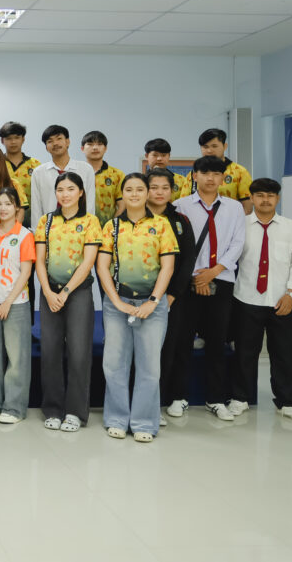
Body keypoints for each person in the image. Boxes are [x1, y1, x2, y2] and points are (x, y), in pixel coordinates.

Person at [98, 173, 178, 443]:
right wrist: (116, 301)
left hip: (151, 305)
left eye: (139, 189)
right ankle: (117, 419)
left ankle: (144, 422)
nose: (134, 194)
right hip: (117, 304)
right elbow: (102, 267)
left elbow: (168, 266)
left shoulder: (162, 225)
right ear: (122, 194)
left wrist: (153, 301)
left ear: (147, 194)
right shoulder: (111, 226)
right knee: (114, 364)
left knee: (149, 367)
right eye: (129, 190)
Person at [229, 179, 292, 423]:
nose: (265, 200)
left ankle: (287, 402)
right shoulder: (240, 226)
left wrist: (291, 293)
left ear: (278, 199)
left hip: (282, 301)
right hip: (246, 299)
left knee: (283, 354)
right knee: (245, 353)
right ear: (251, 198)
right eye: (260, 195)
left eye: (271, 195)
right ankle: (240, 398)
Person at [173, 156, 246, 421]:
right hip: (189, 281)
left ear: (223, 177)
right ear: (194, 176)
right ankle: (179, 396)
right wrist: (196, 277)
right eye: (205, 173)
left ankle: (215, 398)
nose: (211, 178)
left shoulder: (234, 208)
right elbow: (178, 245)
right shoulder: (180, 206)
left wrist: (214, 272)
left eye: (216, 173)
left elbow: (238, 243)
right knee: (183, 340)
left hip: (222, 280)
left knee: (217, 341)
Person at [34, 172, 102, 432]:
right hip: (49, 293)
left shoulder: (90, 221)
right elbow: (40, 260)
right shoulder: (46, 221)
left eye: (71, 189)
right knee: (50, 351)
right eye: (60, 189)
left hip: (78, 294)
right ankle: (52, 409)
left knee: (79, 353)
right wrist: (48, 292)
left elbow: (88, 261)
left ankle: (75, 412)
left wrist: (65, 292)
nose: (65, 194)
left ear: (81, 192)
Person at [145, 169, 196, 428]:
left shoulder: (180, 221)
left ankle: (166, 400)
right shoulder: (134, 218)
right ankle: (145, 404)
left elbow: (187, 260)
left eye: (165, 188)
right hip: (140, 296)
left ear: (172, 191)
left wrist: (172, 294)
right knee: (145, 352)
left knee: (170, 348)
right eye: (154, 187)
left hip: (172, 297)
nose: (159, 192)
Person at [0, 187, 34, 424]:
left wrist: (8, 302)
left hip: (16, 304)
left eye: (8, 204)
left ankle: (14, 407)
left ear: (17, 208)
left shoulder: (24, 235)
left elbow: (26, 272)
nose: (3, 208)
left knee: (17, 358)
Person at [29, 125, 96, 227]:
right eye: (50, 141)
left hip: (80, 228)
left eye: (59, 138)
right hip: (50, 228)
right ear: (46, 147)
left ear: (67, 142)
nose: (55, 143)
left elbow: (90, 203)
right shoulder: (38, 172)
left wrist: (88, 228)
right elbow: (36, 207)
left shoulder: (86, 169)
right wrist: (37, 232)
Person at [179, 128, 253, 214]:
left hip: (228, 220)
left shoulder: (240, 172)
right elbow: (183, 205)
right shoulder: (193, 174)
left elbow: (247, 208)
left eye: (214, 146)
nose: (209, 151)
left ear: (225, 146)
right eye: (205, 147)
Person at [0, 122, 40, 228]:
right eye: (9, 138)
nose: (13, 142)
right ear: (2, 141)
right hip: (1, 218)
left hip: (31, 219)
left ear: (23, 139)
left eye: (17, 137)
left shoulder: (35, 165)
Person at [81, 130, 125, 227]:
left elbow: (122, 205)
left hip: (108, 229)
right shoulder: (76, 173)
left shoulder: (117, 174)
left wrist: (112, 226)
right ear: (82, 148)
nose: (95, 147)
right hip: (80, 228)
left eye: (99, 144)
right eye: (90, 144)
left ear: (105, 148)